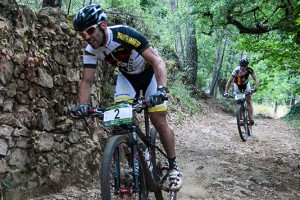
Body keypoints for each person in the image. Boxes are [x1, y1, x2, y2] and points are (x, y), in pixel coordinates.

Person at [72, 4, 182, 191]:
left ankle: (173, 167)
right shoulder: (91, 50)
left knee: (158, 120)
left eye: (90, 31)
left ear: (103, 25)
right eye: (82, 34)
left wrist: (161, 90)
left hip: (149, 75)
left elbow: (157, 61)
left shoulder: (123, 33)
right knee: (122, 123)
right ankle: (135, 167)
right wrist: (83, 105)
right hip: (127, 78)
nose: (87, 37)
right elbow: (86, 81)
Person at [224, 58, 259, 125]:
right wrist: (226, 92)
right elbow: (229, 81)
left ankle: (250, 118)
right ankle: (240, 119)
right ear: (239, 65)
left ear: (247, 66)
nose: (242, 67)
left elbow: (256, 79)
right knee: (239, 102)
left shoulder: (249, 69)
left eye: (244, 66)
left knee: (248, 100)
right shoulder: (236, 71)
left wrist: (255, 88)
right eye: (241, 66)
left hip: (246, 85)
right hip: (237, 85)